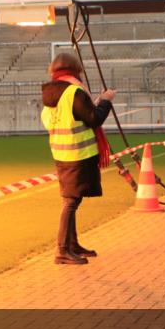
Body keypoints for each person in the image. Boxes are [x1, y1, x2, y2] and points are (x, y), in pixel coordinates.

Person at [41, 52, 116, 265]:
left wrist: (98, 101)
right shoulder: (74, 91)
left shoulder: (51, 93)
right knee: (71, 201)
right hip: (78, 154)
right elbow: (94, 118)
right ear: (76, 69)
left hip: (62, 153)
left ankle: (72, 245)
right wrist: (106, 102)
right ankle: (62, 250)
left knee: (73, 199)